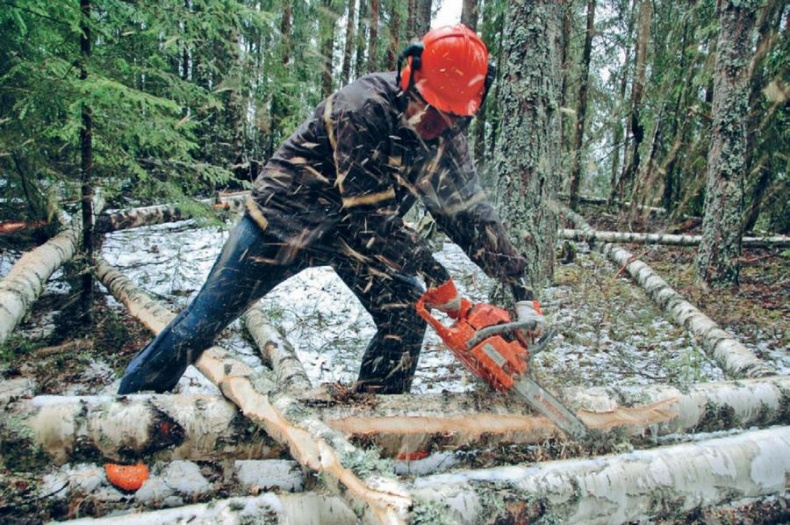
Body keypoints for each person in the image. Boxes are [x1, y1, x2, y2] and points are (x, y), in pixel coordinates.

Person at [117, 24, 545, 396]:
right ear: (409, 77)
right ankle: (132, 411)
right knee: (203, 322)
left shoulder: (446, 139)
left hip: (350, 238)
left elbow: (470, 214)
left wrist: (520, 288)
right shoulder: (362, 107)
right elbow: (370, 215)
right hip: (282, 222)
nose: (435, 125)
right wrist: (436, 274)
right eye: (429, 109)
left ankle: (378, 421)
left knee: (404, 313)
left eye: (451, 117)